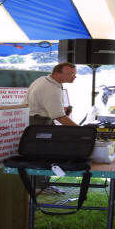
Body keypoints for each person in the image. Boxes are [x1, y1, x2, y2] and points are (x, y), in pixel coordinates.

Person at [24, 62, 78, 193]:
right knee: (42, 154)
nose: (74, 77)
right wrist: (81, 130)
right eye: (71, 74)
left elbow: (49, 108)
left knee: (42, 153)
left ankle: (41, 185)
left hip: (35, 119)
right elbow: (59, 117)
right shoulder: (51, 89)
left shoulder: (44, 80)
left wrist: (60, 110)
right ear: (57, 74)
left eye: (75, 74)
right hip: (38, 122)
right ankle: (39, 186)